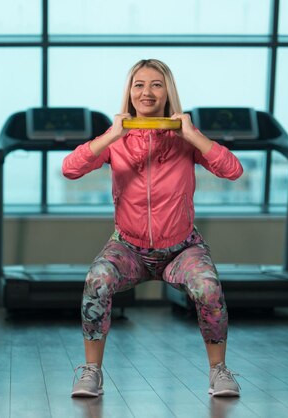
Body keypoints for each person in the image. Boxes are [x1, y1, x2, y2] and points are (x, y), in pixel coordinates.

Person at [62, 59, 243, 398]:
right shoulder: (118, 138)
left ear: (167, 91)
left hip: (181, 248)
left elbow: (233, 170)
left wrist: (192, 134)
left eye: (156, 84)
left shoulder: (186, 139)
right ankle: (91, 372)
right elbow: (70, 169)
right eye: (139, 84)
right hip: (128, 247)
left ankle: (219, 371)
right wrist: (113, 134)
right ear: (129, 93)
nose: (147, 91)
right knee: (97, 280)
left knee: (208, 287)